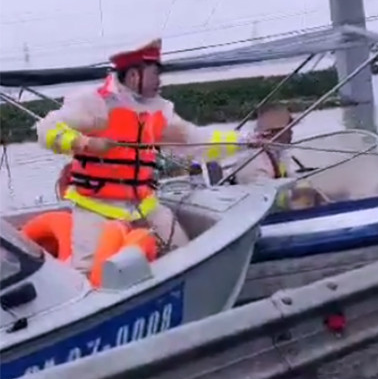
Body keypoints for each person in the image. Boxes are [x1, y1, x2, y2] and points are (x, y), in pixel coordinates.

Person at [36, 39, 265, 274]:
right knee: (86, 271)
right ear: (135, 75)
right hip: (95, 209)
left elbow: (195, 142)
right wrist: (84, 142)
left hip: (144, 206)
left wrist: (245, 141)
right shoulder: (94, 103)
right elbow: (46, 130)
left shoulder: (158, 111)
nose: (160, 81)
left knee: (184, 253)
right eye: (155, 74)